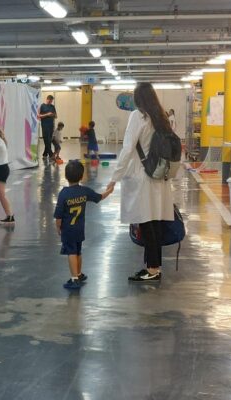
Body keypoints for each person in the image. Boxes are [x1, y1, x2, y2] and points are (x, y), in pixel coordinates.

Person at [105, 83, 175, 283]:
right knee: (155, 222)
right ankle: (154, 267)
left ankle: (152, 270)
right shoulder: (162, 118)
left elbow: (128, 149)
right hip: (159, 176)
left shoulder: (139, 116)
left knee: (146, 222)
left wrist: (114, 179)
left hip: (142, 176)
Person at [54, 161, 111, 290]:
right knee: (78, 251)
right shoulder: (84, 191)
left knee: (71, 253)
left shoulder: (63, 194)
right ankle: (79, 274)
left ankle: (74, 279)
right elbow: (99, 197)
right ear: (81, 177)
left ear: (66, 176)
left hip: (68, 230)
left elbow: (58, 216)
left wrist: (58, 227)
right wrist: (109, 191)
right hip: (80, 229)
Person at [38, 95, 57, 160]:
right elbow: (39, 116)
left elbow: (56, 115)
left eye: (51, 101)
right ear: (47, 99)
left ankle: (45, 154)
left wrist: (53, 114)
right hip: (45, 125)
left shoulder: (52, 107)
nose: (50, 102)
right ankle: (51, 154)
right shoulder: (42, 106)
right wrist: (47, 114)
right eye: (50, 100)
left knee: (49, 140)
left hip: (51, 125)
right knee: (46, 139)